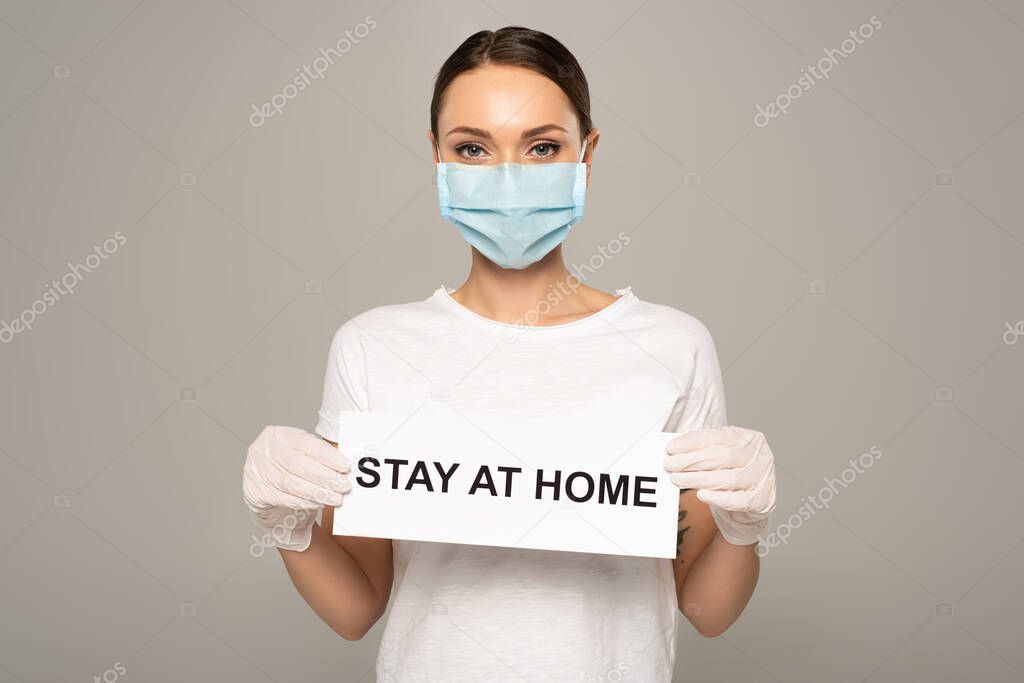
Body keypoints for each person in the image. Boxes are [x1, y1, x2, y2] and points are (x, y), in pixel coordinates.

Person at [242, 26, 777, 682]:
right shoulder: (373, 346)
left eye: (542, 146)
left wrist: (743, 527)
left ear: (587, 154)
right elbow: (357, 606)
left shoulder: (673, 345)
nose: (508, 178)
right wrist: (289, 528)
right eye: (472, 148)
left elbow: (705, 607)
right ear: (437, 157)